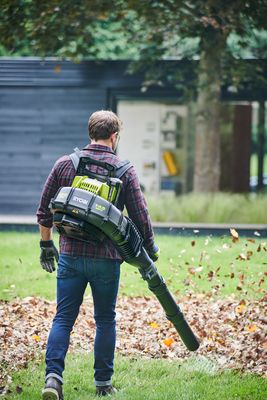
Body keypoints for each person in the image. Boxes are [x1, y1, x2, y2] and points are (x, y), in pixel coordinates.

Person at [37, 110, 159, 399]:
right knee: (105, 319)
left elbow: (45, 211)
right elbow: (141, 217)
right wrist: (150, 250)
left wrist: (46, 245)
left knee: (63, 318)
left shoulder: (65, 164)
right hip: (106, 258)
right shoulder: (124, 170)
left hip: (70, 255)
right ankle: (103, 384)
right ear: (114, 136)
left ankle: (53, 379)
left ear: (90, 132)